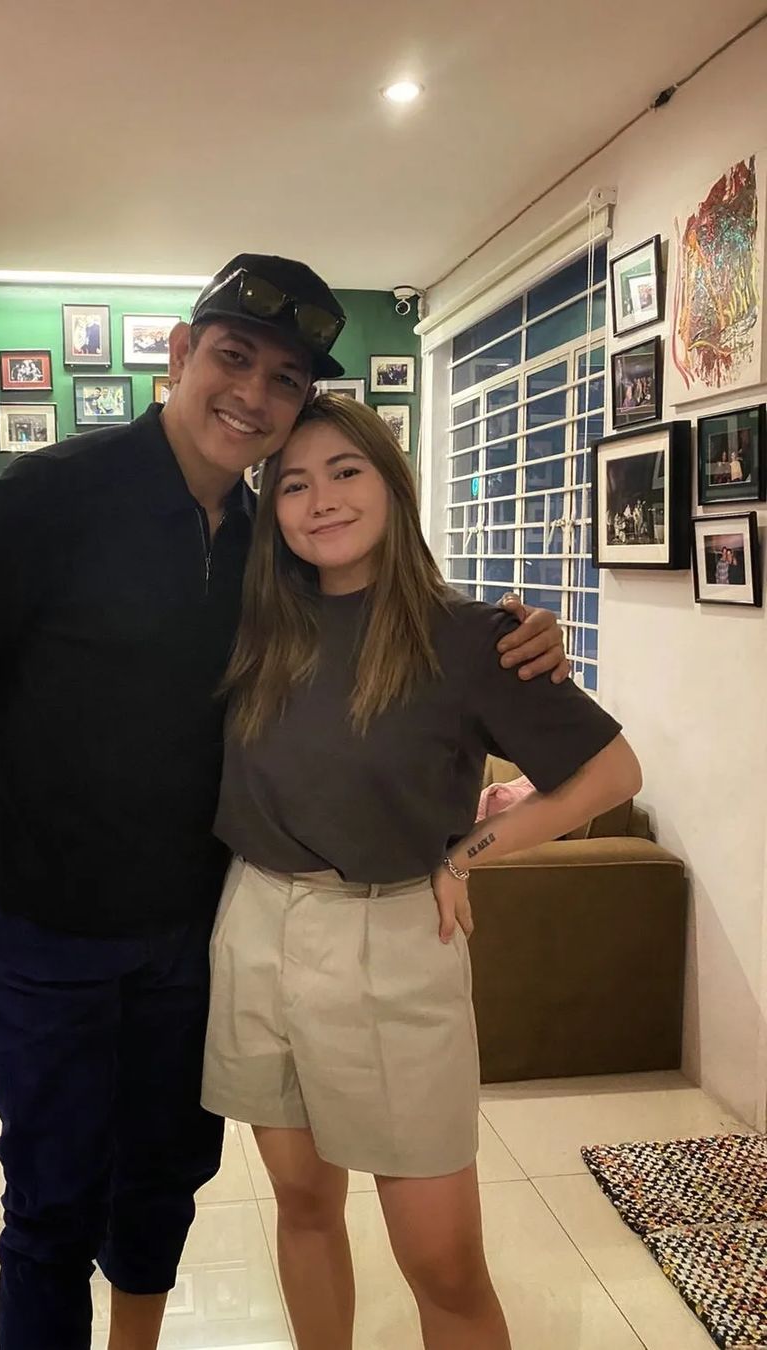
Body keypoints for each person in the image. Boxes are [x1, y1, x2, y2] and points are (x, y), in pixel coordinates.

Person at [0, 253, 569, 1350]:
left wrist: (519, 639)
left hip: (196, 932)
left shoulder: (270, 546)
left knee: (161, 1185)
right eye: (233, 357)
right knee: (53, 1204)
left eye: (284, 378)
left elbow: (375, 615)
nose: (252, 393)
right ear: (179, 354)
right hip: (46, 932)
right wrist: (10, 792)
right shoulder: (46, 498)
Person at [203, 395, 641, 1350]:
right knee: (302, 1205)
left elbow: (610, 773)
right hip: (257, 925)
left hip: (394, 942)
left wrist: (468, 852)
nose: (321, 500)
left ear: (393, 485)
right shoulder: (257, 622)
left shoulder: (473, 637)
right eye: (294, 484)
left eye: (346, 472)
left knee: (443, 1262)